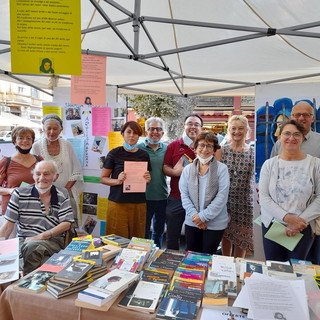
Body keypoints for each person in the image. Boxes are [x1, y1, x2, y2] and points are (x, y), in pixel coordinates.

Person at [259, 120, 320, 261]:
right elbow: (264, 197)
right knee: (275, 270)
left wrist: (299, 222)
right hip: (273, 226)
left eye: (297, 134)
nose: (291, 138)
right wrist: (287, 218)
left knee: (299, 272)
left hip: (303, 227)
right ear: (279, 137)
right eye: (287, 133)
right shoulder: (269, 165)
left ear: (303, 138)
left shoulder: (315, 164)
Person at [0, 160, 74, 274]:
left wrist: (41, 236)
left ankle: (28, 283)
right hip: (24, 240)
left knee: (32, 246)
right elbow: (8, 225)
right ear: (33, 175)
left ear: (55, 176)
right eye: (38, 174)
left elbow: (66, 223)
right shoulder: (20, 194)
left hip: (52, 240)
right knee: (12, 262)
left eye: (46, 174)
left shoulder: (62, 193)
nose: (41, 178)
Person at [179, 131, 230, 254]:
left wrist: (203, 217)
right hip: (192, 221)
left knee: (208, 257)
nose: (205, 149)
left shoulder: (222, 169)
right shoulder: (187, 169)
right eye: (201, 145)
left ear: (214, 149)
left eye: (209, 146)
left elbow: (222, 196)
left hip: (215, 223)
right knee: (191, 258)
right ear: (195, 148)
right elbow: (184, 195)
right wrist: (196, 218)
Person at [101, 121, 151, 238]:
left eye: (135, 133)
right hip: (118, 202)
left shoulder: (144, 155)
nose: (131, 135)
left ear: (139, 136)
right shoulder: (114, 153)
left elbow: (147, 179)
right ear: (122, 134)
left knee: (136, 239)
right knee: (116, 239)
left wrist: (147, 179)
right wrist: (117, 181)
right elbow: (103, 178)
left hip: (138, 203)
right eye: (128, 132)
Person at [31, 114, 84, 225]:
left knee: (68, 224)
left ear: (61, 130)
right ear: (43, 129)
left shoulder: (67, 145)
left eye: (55, 128)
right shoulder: (36, 146)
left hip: (66, 193)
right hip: (44, 194)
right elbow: (34, 172)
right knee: (48, 224)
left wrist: (66, 189)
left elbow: (77, 168)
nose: (52, 132)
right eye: (48, 128)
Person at [216, 115, 254, 258]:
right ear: (229, 130)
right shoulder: (222, 150)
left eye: (240, 128)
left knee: (242, 239)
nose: (237, 131)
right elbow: (214, 176)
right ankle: (226, 264)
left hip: (245, 202)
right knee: (225, 235)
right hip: (224, 200)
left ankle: (239, 266)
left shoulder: (252, 152)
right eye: (233, 128)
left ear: (247, 130)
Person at [163, 114, 203, 250]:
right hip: (176, 198)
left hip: (198, 200)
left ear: (201, 128)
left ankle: (191, 267)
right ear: (184, 126)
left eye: (196, 124)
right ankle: (171, 262)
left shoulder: (206, 147)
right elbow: (165, 167)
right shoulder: (173, 146)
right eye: (190, 124)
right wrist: (175, 172)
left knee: (195, 238)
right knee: (172, 236)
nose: (193, 127)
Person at [138, 117, 168, 248]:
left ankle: (156, 256)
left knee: (159, 231)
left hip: (162, 196)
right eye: (152, 129)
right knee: (143, 231)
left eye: (158, 129)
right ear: (146, 131)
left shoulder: (167, 149)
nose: (155, 132)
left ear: (162, 132)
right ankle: (143, 255)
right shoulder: (138, 149)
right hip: (143, 197)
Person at [0, 126, 41, 214]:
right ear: (14, 141)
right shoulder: (6, 162)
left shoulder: (40, 160)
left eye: (28, 138)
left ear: (32, 141)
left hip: (34, 209)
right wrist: (10, 190)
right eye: (20, 138)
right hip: (11, 209)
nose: (25, 141)